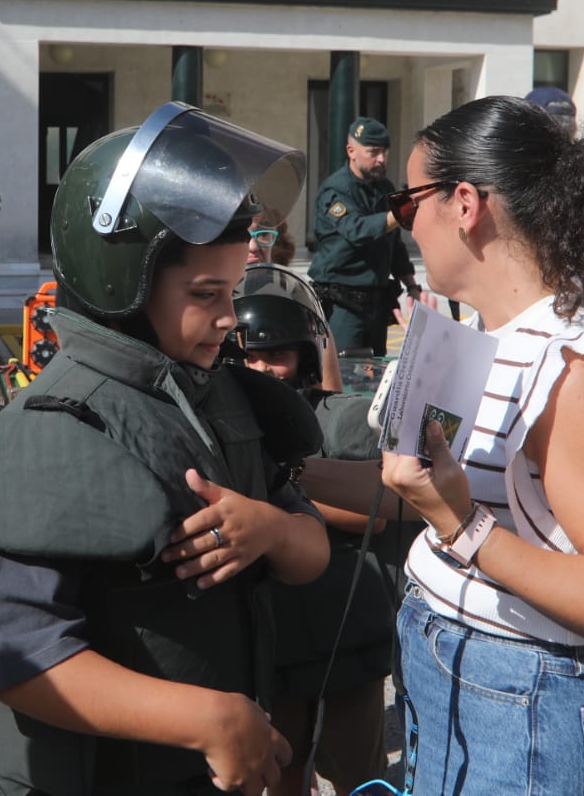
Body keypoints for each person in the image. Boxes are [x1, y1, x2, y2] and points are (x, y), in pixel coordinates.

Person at [0, 103, 331, 796]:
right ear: (119, 283)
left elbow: (308, 548)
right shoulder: (61, 428)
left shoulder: (223, 396)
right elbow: (17, 658)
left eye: (232, 291)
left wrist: (274, 529)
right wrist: (207, 719)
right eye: (203, 293)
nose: (228, 316)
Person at [303, 96, 584, 794]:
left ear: (464, 203)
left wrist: (460, 526)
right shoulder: (496, 342)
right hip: (470, 682)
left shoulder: (579, 371)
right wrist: (280, 472)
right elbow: (422, 495)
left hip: (524, 705)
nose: (404, 225)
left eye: (408, 203)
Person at [226, 264, 395, 796]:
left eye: (275, 354)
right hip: (272, 644)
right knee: (283, 772)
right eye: (249, 356)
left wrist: (284, 505)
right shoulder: (226, 427)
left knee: (357, 773)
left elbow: (383, 501)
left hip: (347, 635)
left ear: (304, 352)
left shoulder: (338, 418)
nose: (262, 368)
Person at [308, 117, 420, 355]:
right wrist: (401, 213)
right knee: (344, 375)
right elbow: (356, 229)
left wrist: (411, 285)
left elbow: (394, 243)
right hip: (343, 304)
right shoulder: (336, 190)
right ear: (351, 151)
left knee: (374, 372)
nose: (381, 158)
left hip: (376, 304)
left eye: (384, 152)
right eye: (373, 152)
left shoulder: (384, 188)